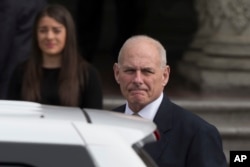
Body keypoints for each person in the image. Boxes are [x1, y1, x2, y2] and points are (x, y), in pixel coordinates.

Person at [112, 35, 227, 167]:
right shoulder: (103, 126)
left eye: (147, 71)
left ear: (165, 76)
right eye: (130, 70)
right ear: (117, 73)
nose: (138, 80)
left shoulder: (198, 133)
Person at [7, 4, 103, 109]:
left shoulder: (87, 75)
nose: (49, 36)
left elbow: (94, 118)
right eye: (43, 30)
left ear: (68, 33)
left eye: (56, 31)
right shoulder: (21, 72)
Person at [0, 0, 47, 99]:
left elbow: (4, 39)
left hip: (9, 73)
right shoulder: (40, 2)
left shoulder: (10, 3)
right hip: (34, 68)